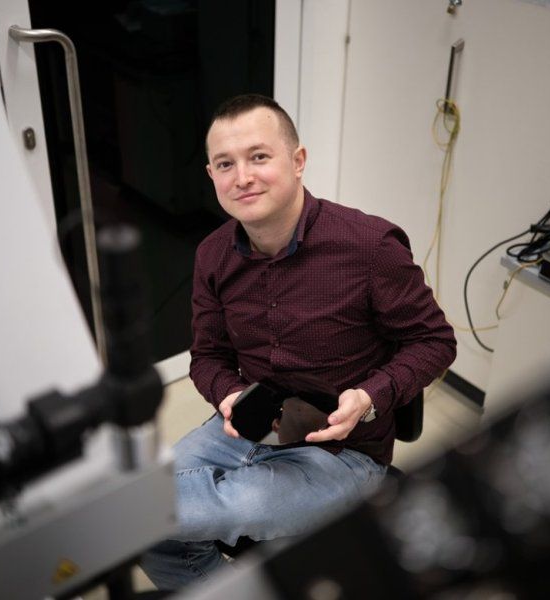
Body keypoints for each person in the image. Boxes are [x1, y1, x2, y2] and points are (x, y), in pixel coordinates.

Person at [141, 94, 456, 590]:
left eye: (259, 157)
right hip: (246, 429)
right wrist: (227, 394)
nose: (242, 176)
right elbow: (207, 356)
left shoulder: (369, 247)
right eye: (226, 164)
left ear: (298, 161)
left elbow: (434, 341)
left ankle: (118, 514)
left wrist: (370, 397)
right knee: (157, 535)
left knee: (224, 506)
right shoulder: (213, 255)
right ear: (211, 176)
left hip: (343, 452)